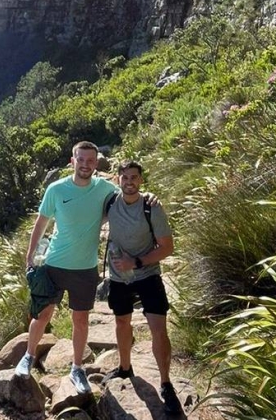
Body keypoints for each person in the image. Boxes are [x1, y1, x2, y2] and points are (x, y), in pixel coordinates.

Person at [15, 142, 159, 393]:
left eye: (91, 160)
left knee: (80, 320)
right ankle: (28, 356)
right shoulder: (56, 189)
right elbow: (41, 223)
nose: (86, 164)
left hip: (85, 268)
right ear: (72, 161)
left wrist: (148, 197)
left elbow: (128, 192)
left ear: (96, 163)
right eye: (81, 159)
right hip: (54, 263)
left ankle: (77, 368)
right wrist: (29, 257)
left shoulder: (105, 189)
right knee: (43, 314)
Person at [101, 160, 182, 415]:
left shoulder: (151, 207)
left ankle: (166, 382)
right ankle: (125, 367)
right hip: (118, 277)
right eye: (125, 177)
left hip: (147, 273)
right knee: (121, 322)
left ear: (141, 180)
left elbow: (167, 248)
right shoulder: (111, 203)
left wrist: (135, 262)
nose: (129, 182)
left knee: (158, 328)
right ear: (118, 180)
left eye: (134, 177)